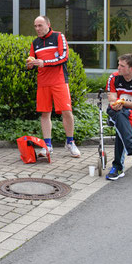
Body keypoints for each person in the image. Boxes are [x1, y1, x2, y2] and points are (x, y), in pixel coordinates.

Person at [26, 15, 80, 158]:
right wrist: (30, 64)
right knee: (45, 114)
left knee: (67, 111)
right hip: (43, 83)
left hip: (59, 81)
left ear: (48, 24)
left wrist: (44, 62)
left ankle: (70, 142)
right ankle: (47, 146)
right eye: (35, 26)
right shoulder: (35, 43)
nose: (37, 28)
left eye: (40, 25)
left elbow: (63, 57)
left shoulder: (58, 36)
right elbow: (32, 60)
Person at [105, 53, 132, 181]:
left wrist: (123, 103)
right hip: (115, 110)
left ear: (131, 69)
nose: (118, 68)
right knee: (120, 115)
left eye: (122, 66)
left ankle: (118, 167)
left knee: (121, 122)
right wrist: (116, 104)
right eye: (118, 65)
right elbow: (112, 99)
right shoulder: (113, 78)